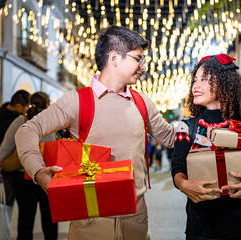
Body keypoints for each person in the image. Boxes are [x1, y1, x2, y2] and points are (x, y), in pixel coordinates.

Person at [15, 25, 174, 240]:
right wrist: (38, 171)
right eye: (138, 59)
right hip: (90, 221)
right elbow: (27, 130)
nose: (143, 67)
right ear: (115, 58)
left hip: (135, 219)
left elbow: (172, 138)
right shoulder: (77, 101)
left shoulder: (142, 102)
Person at [171, 54, 241, 239]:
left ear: (224, 84)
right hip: (202, 226)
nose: (195, 86)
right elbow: (178, 169)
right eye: (195, 80)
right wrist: (184, 184)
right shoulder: (187, 127)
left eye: (204, 79)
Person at [0, 92, 58, 240]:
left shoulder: (21, 121)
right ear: (48, 105)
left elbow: (5, 147)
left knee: (25, 218)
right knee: (50, 217)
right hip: (48, 175)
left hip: (23, 176)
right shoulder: (53, 121)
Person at [0, 90, 30, 206]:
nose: (27, 110)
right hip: (6, 166)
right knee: (4, 204)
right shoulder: (17, 121)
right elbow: (6, 147)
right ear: (19, 105)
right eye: (26, 107)